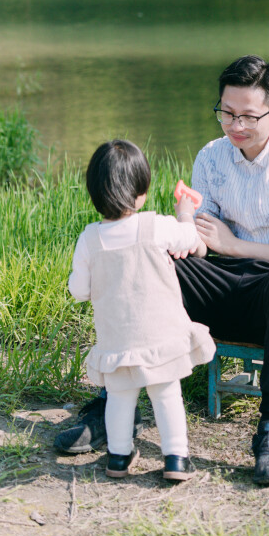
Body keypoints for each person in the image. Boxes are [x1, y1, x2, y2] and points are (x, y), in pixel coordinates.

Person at [57, 57, 269, 487]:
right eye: (226, 112)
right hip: (222, 283)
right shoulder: (212, 156)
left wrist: (235, 245)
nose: (234, 125)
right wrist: (182, 224)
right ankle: (116, 402)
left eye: (247, 116)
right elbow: (202, 247)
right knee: (149, 258)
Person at [67, 138, 215, 482]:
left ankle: (118, 458)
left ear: (94, 194)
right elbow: (190, 241)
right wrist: (185, 211)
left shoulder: (89, 239)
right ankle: (176, 459)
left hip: (117, 340)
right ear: (141, 193)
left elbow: (79, 291)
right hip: (161, 336)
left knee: (120, 398)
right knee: (166, 395)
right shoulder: (156, 225)